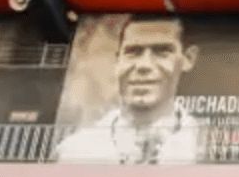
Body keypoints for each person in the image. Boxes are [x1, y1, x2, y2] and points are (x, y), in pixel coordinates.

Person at [55, 16, 205, 164]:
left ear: (188, 59)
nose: (144, 65)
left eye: (162, 52)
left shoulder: (206, 147)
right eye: (133, 52)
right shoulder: (74, 151)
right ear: (117, 60)